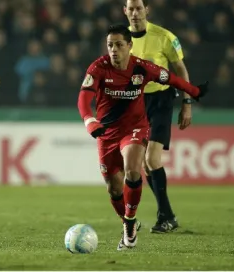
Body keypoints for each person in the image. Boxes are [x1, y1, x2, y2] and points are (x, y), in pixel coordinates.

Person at [77, 23, 208, 249]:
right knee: (114, 188)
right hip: (107, 132)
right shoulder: (98, 68)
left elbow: (171, 79)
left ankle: (128, 226)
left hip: (134, 128)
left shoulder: (142, 68)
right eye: (110, 45)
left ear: (130, 45)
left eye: (119, 45)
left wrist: (193, 92)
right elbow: (83, 99)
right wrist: (90, 121)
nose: (114, 50)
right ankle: (129, 221)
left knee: (133, 169)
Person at [124, 0, 192, 233]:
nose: (134, 13)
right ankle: (168, 215)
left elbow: (180, 70)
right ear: (125, 12)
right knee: (142, 163)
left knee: (152, 160)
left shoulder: (164, 37)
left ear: (146, 10)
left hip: (161, 100)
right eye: (130, 9)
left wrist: (187, 102)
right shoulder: (121, 41)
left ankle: (166, 215)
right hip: (136, 103)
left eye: (138, 8)